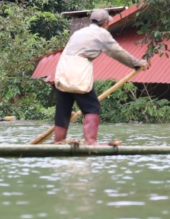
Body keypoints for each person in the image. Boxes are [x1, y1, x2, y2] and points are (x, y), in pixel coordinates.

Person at [51, 8, 147, 145]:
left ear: (91, 21)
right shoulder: (102, 34)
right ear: (106, 23)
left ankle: (58, 141)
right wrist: (137, 63)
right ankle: (91, 142)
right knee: (92, 107)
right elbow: (117, 52)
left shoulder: (78, 32)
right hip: (78, 70)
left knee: (63, 108)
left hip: (62, 69)